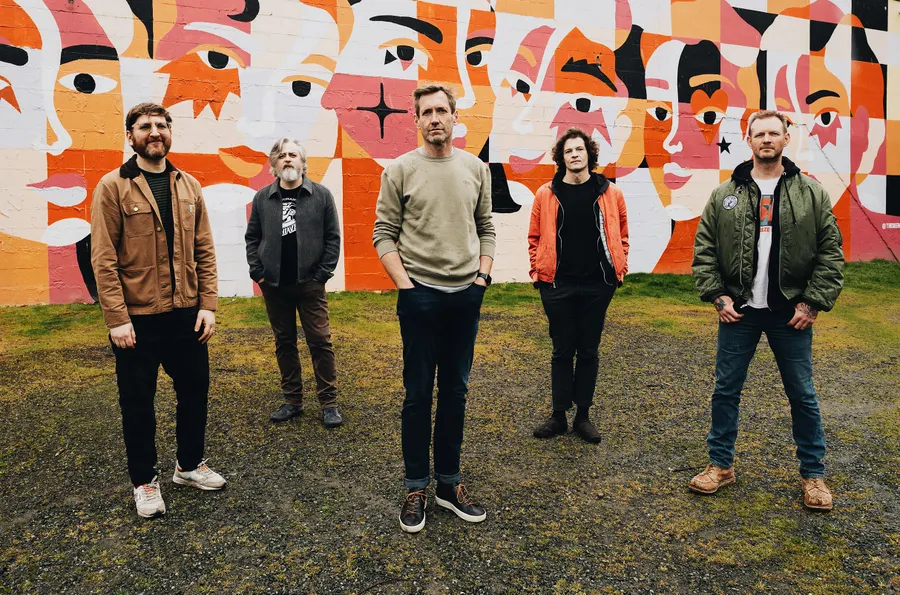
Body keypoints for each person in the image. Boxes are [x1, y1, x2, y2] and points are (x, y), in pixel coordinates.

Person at [691, 110, 844, 511]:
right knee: (726, 391)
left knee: (802, 394)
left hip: (789, 313)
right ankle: (721, 466)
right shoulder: (725, 193)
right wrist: (718, 296)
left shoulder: (811, 193)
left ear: (786, 138)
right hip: (739, 312)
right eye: (759, 133)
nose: (766, 139)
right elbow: (704, 249)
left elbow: (830, 251)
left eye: (774, 133)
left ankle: (813, 475)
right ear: (748, 139)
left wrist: (812, 302)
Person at [91, 103, 226, 519]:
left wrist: (208, 305)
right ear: (130, 135)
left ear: (170, 132)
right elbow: (103, 258)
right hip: (138, 319)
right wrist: (117, 319)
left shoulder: (189, 185)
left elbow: (204, 250)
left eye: (162, 125)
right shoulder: (113, 186)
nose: (155, 132)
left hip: (186, 313)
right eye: (145, 126)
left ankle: (189, 466)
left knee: (194, 393)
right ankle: (144, 482)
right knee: (137, 403)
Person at [373, 83, 495, 534]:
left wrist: (481, 278)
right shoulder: (400, 170)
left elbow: (486, 227)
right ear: (417, 120)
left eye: (442, 110)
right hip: (419, 295)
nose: (435, 119)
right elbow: (383, 233)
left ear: (455, 116)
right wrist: (407, 289)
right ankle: (415, 487)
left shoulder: (476, 169)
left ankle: (448, 483)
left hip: (465, 296)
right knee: (418, 394)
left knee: (456, 393)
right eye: (427, 112)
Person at [527, 127, 630, 444]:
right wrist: (538, 272)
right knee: (561, 350)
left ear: (589, 154)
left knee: (588, 350)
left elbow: (622, 234)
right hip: (557, 285)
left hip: (598, 286)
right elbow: (534, 238)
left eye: (579, 149)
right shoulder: (546, 193)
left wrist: (618, 269)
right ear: (562, 158)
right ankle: (558, 416)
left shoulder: (610, 193)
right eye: (569, 150)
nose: (574, 155)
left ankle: (583, 416)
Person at [245, 138, 343, 428]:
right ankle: (293, 400)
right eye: (282, 155)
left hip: (310, 284)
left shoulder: (321, 195)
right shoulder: (263, 198)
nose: (288, 159)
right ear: (274, 164)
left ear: (303, 162)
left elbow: (333, 238)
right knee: (284, 342)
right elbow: (252, 238)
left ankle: (329, 404)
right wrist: (259, 274)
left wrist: (321, 275)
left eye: (293, 155)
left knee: (320, 341)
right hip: (274, 285)